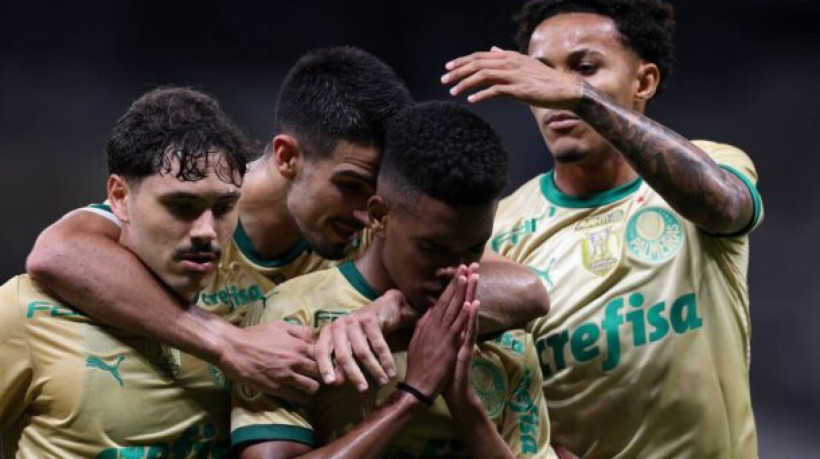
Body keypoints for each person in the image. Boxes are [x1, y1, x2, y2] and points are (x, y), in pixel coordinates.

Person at [26, 46, 550, 402]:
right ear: (287, 156)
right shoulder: (199, 209)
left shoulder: (371, 228)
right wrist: (227, 344)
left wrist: (397, 306)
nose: (367, 211)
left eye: (377, 193)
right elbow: (57, 252)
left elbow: (524, 290)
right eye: (350, 184)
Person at [441, 0, 763, 458]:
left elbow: (725, 206)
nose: (552, 91)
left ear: (644, 81)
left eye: (585, 67)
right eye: (541, 73)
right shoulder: (498, 230)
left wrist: (580, 96)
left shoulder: (712, 166)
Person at [232, 101, 555, 459]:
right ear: (378, 216)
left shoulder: (505, 333)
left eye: (474, 248)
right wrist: (411, 398)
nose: (455, 270)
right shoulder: (293, 316)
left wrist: (467, 411)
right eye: (433, 248)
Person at [0, 87, 254, 456]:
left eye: (224, 207)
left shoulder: (251, 306)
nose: (206, 231)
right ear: (120, 197)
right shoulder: (23, 312)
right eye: (181, 206)